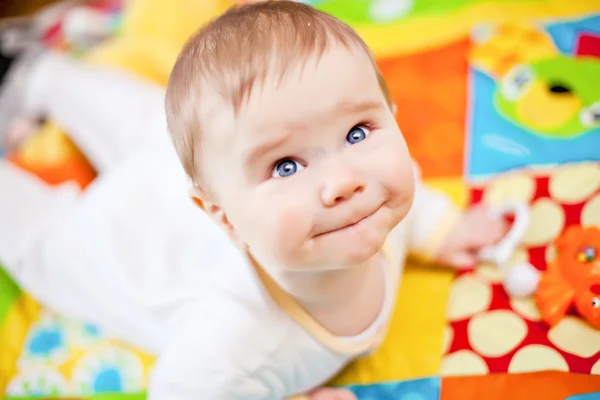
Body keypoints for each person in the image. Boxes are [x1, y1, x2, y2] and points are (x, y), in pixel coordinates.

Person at [0, 1, 508, 398]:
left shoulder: (370, 203)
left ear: (391, 116)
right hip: (119, 243)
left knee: (148, 121)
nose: (344, 181)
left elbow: (410, 205)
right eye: (285, 165)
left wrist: (441, 228)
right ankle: (29, 78)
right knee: (41, 241)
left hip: (170, 163)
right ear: (222, 215)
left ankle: (38, 72)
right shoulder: (232, 345)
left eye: (357, 131)